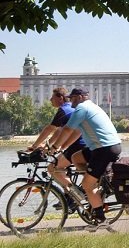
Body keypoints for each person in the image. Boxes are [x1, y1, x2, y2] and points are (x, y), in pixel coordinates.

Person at [49, 88, 122, 231]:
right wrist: (62, 147)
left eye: (73, 98)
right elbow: (76, 132)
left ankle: (101, 219)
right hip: (102, 147)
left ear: (81, 97)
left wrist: (54, 146)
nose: (70, 101)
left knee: (87, 185)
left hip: (104, 149)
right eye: (70, 98)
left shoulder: (82, 108)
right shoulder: (91, 107)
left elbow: (67, 130)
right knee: (76, 158)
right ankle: (95, 186)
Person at [28, 87, 88, 212]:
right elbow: (59, 132)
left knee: (52, 168)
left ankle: (73, 197)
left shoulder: (64, 109)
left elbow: (50, 129)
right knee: (60, 168)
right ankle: (71, 196)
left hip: (77, 145)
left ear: (60, 98)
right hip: (80, 144)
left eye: (52, 97)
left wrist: (35, 146)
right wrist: (47, 146)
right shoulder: (70, 108)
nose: (50, 100)